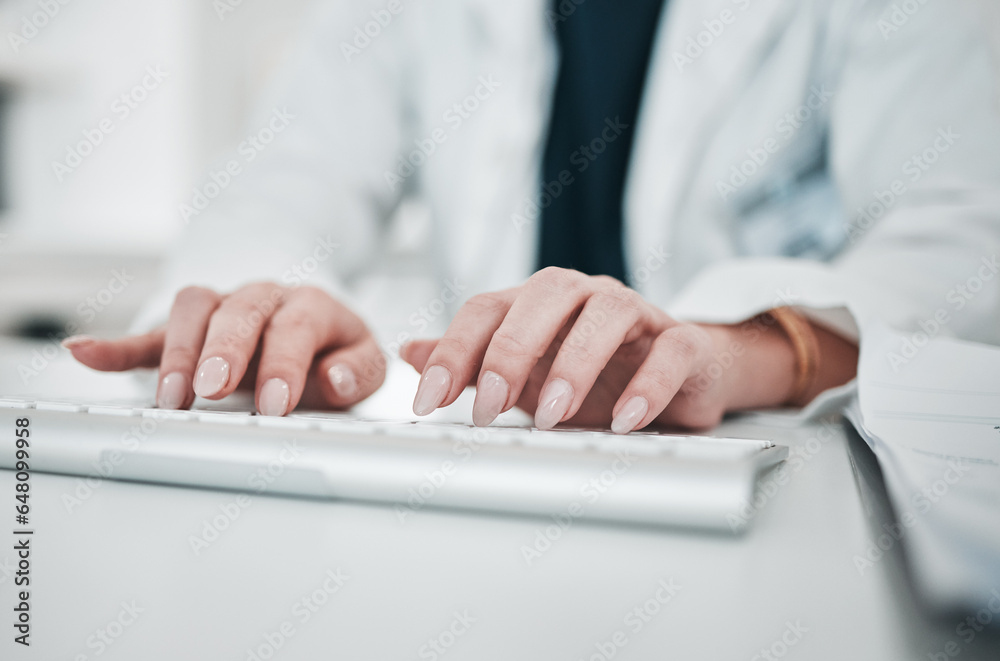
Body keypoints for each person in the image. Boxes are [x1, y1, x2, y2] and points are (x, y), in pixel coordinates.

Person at [64, 0, 1000, 433]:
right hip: (505, 462)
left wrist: (744, 348)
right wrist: (270, 310)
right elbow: (286, 176)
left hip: (791, 484)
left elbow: (966, 235)